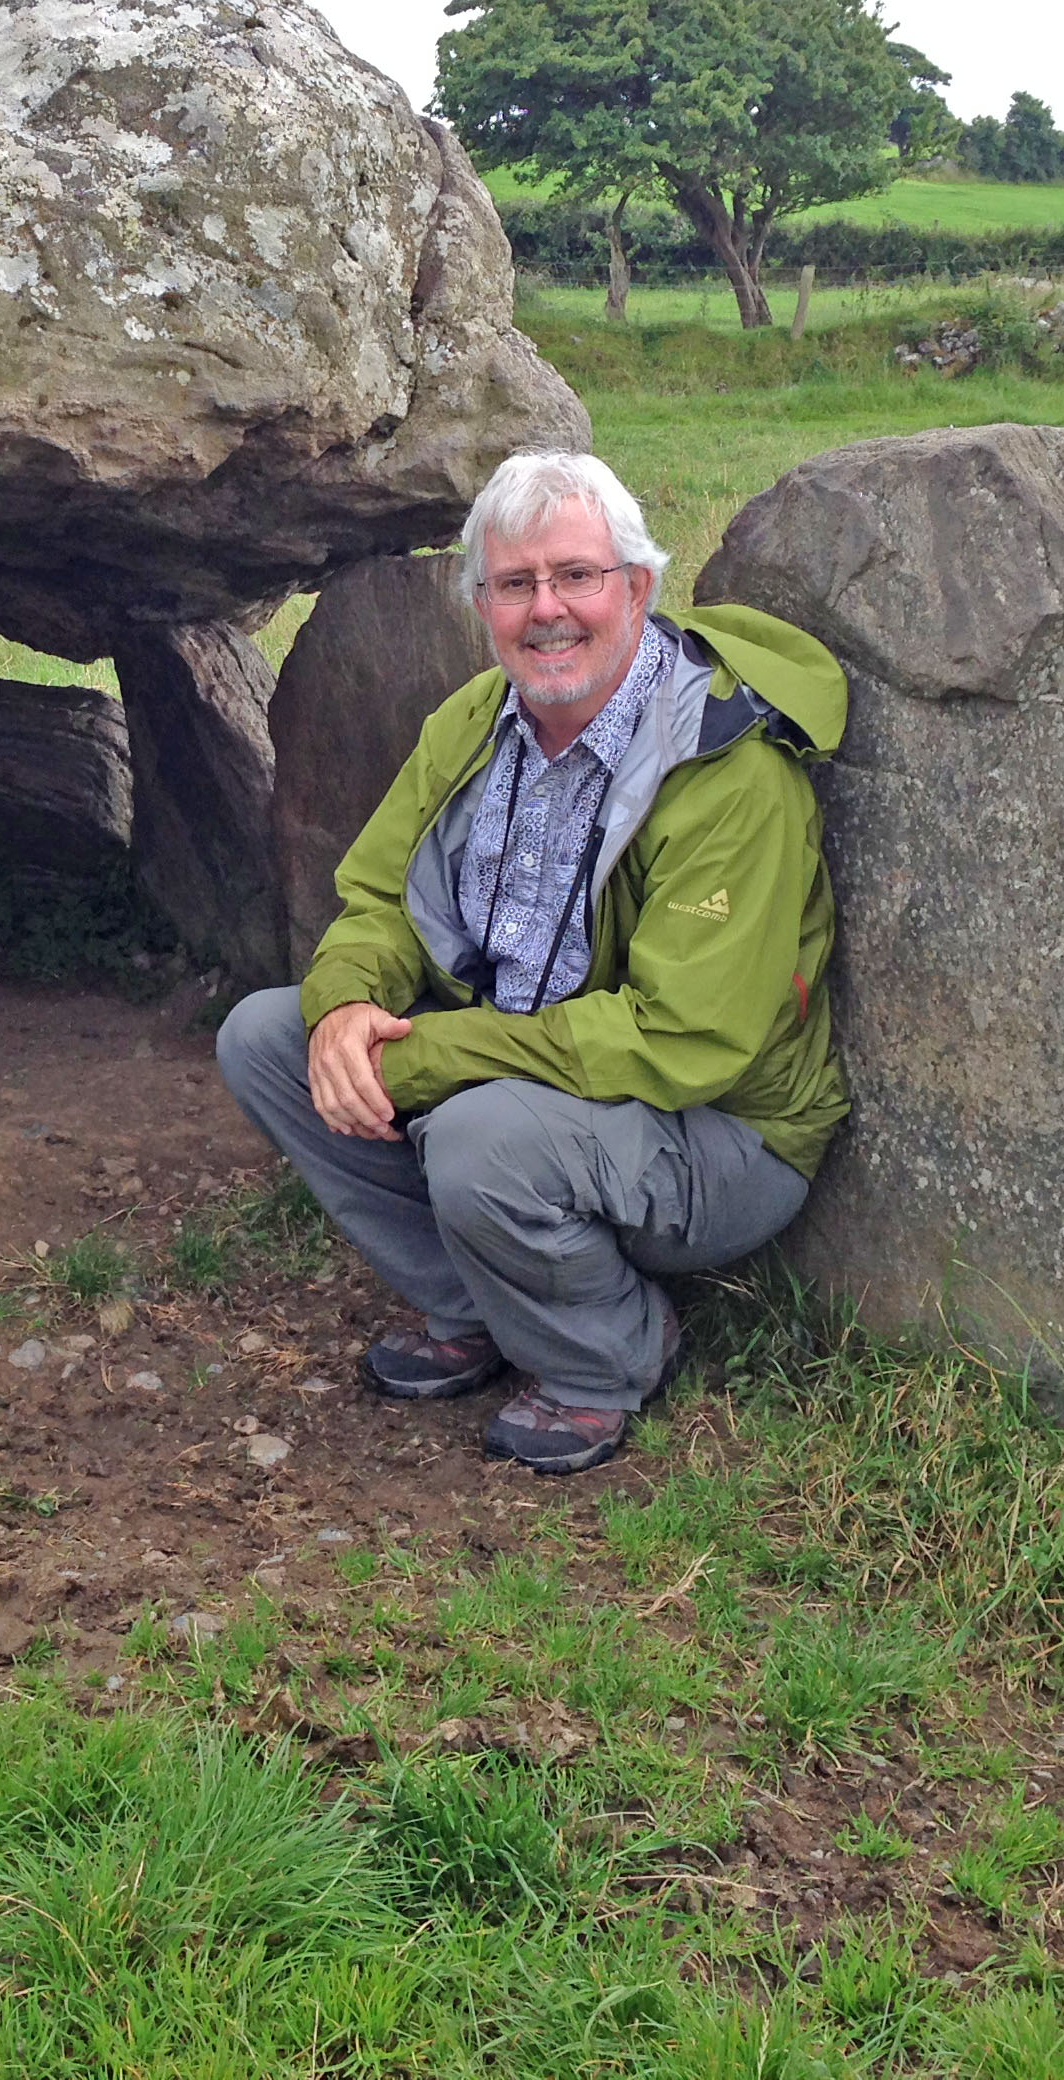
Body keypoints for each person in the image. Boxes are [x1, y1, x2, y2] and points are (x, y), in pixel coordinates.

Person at [216, 449, 849, 1474]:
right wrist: (341, 1012)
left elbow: (682, 1040)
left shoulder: (729, 775)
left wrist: (425, 1060)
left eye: (576, 576)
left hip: (722, 1134)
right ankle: (479, 1305)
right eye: (515, 584)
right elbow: (378, 898)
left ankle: (608, 1356)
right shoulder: (476, 722)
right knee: (266, 1038)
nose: (546, 609)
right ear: (481, 603)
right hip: (529, 1080)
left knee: (477, 1136)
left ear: (637, 586)